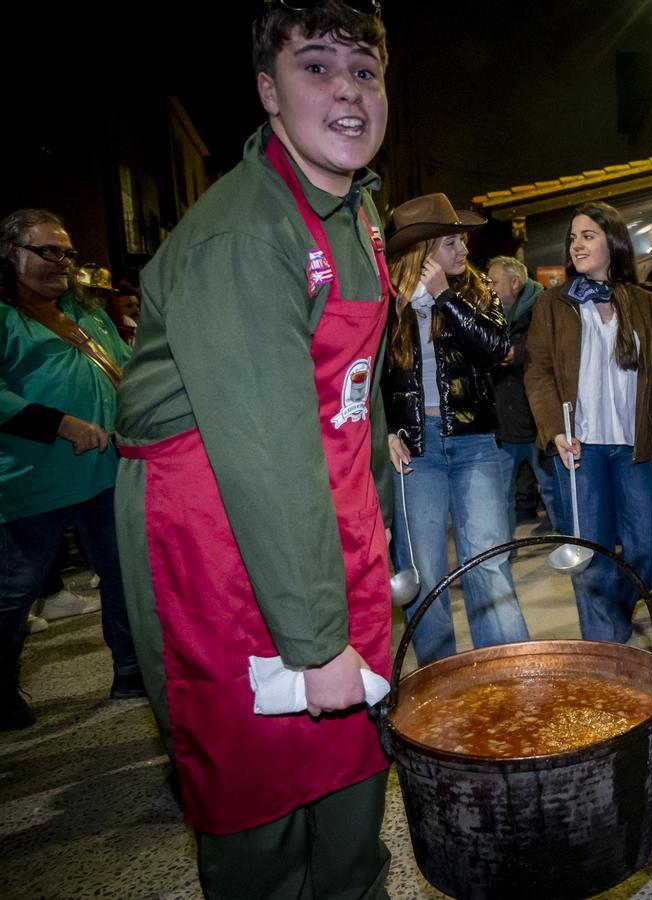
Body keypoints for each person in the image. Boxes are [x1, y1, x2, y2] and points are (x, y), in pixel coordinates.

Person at [112, 3, 393, 895]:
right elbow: (266, 457)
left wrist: (379, 531)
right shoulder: (243, 232)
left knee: (353, 777)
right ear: (268, 92)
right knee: (260, 803)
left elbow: (359, 396)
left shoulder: (359, 213)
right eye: (318, 67)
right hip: (220, 535)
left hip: (326, 514)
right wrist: (313, 643)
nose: (348, 91)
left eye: (365, 71)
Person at [0, 209, 142, 732]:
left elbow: (128, 366)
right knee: (13, 591)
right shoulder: (5, 315)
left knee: (124, 575)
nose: (63, 262)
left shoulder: (88, 314)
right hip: (33, 480)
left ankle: (130, 670)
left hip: (106, 474)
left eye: (67, 252)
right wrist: (61, 424)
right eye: (48, 251)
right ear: (10, 255)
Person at [381, 195, 528, 666]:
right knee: (423, 574)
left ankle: (510, 674)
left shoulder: (476, 289)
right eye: (450, 241)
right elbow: (365, 374)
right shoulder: (385, 301)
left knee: (490, 563)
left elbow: (496, 347)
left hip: (474, 442)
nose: (463, 248)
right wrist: (383, 430)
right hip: (414, 449)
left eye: (462, 239)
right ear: (423, 251)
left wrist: (446, 297)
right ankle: (441, 684)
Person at [525, 202, 652, 644]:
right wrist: (554, 430)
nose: (577, 244)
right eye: (573, 238)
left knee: (646, 549)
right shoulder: (553, 305)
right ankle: (604, 648)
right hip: (580, 448)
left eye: (587, 235)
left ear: (613, 241)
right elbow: (538, 371)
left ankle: (616, 612)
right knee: (590, 554)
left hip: (635, 448)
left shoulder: (648, 306)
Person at [486, 254, 560, 535]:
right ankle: (505, 550)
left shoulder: (543, 308)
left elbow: (556, 353)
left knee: (552, 488)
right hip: (504, 421)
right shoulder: (489, 314)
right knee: (500, 494)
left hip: (538, 419)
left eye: (494, 282)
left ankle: (569, 542)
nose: (488, 287)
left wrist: (520, 354)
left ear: (515, 282)